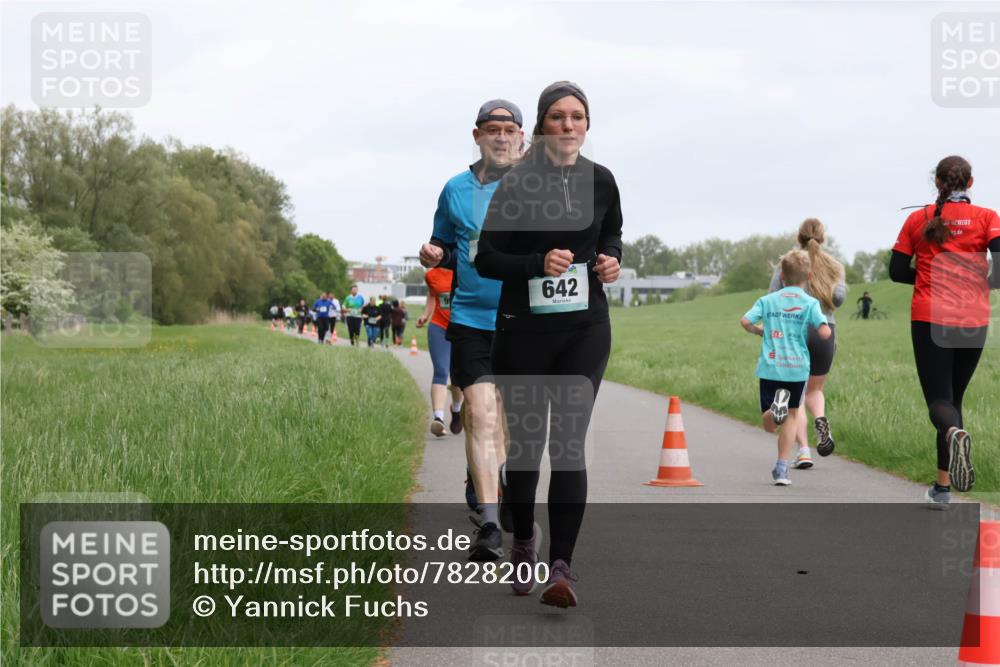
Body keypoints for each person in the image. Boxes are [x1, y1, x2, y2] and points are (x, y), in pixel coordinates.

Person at [476, 82, 622, 607]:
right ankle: (523, 540)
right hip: (523, 331)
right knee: (527, 450)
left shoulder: (601, 181)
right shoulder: (516, 185)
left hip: (585, 330)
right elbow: (485, 259)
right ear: (541, 126)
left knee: (567, 445)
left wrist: (610, 260)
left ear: (587, 125)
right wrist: (536, 264)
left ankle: (562, 566)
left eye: (576, 116)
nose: (567, 125)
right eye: (557, 117)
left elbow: (612, 235)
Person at [420, 97, 525, 562]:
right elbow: (443, 240)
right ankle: (488, 523)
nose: (501, 135)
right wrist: (434, 253)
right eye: (491, 128)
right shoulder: (455, 189)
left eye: (509, 128)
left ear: (522, 137)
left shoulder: (541, 187)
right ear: (477, 135)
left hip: (524, 323)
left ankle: (491, 485)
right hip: (470, 320)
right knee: (480, 415)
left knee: (504, 426)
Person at [890, 155, 1000, 508]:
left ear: (937, 183)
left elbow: (895, 270)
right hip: (973, 319)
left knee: (940, 402)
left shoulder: (917, 218)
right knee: (955, 399)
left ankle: (952, 437)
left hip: (930, 317)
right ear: (970, 183)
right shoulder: (988, 218)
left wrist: (928, 275)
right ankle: (942, 487)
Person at [741, 250, 832, 488]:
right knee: (792, 415)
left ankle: (774, 410)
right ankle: (781, 469)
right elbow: (824, 332)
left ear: (782, 275)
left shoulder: (768, 300)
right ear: (809, 276)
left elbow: (745, 321)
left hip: (771, 366)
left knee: (769, 425)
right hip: (797, 368)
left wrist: (759, 331)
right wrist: (822, 330)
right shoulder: (810, 303)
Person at [768, 218, 846, 469]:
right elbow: (839, 298)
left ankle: (803, 451)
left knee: (795, 396)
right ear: (823, 238)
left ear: (797, 236)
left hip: (796, 331)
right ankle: (821, 419)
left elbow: (773, 298)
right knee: (815, 390)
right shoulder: (834, 265)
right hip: (826, 329)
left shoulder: (788, 263)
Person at [416, 267, 464, 437]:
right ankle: (439, 418)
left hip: (462, 328)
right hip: (439, 327)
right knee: (441, 371)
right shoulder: (431, 274)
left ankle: (456, 410)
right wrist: (425, 315)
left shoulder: (466, 267)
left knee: (457, 376)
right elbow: (432, 295)